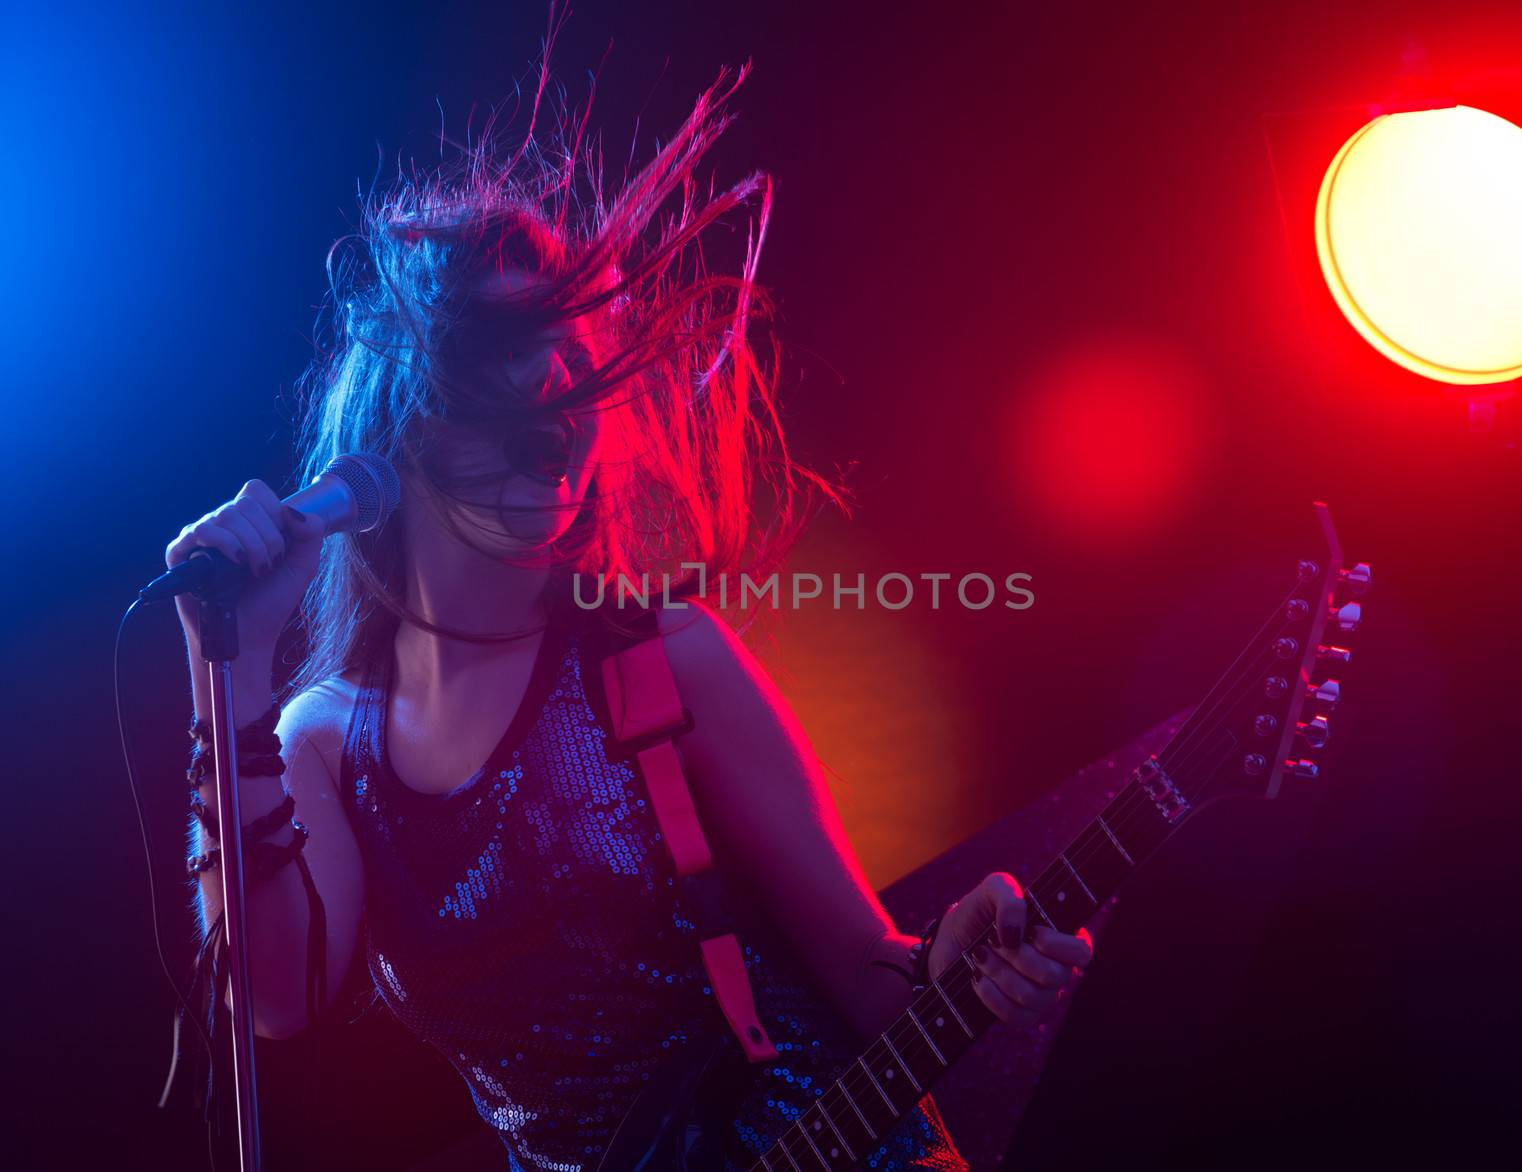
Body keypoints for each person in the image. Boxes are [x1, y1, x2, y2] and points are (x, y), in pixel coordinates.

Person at [167, 62, 1092, 1172]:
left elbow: (862, 969)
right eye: (509, 362)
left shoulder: (658, 660)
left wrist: (959, 961)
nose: (555, 386)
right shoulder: (320, 739)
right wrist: (227, 673)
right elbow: (272, 997)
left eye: (566, 370)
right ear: (404, 421)